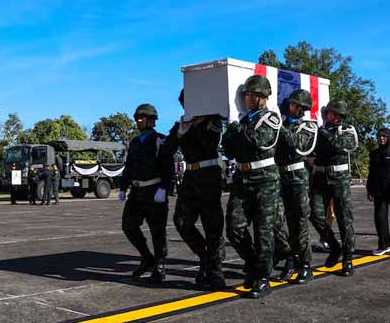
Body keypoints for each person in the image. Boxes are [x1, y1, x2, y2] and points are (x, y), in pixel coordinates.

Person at [222, 75, 283, 299]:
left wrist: (239, 129)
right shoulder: (242, 121)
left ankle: (262, 278)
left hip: (265, 179)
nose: (248, 99)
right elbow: (227, 149)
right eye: (246, 95)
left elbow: (260, 140)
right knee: (234, 227)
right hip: (242, 177)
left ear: (262, 97)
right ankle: (254, 264)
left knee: (263, 231)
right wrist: (234, 128)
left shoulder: (271, 119)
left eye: (252, 95)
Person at [163, 90, 227, 290]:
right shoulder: (180, 124)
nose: (186, 107)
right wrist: (180, 132)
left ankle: (215, 272)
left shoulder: (212, 120)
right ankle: (207, 259)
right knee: (181, 221)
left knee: (212, 225)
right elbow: (167, 150)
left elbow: (209, 143)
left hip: (208, 174)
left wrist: (191, 129)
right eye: (184, 104)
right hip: (190, 176)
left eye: (190, 103)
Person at [118, 103, 172, 283]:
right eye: (137, 118)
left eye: (142, 118)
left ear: (151, 120)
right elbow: (129, 167)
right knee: (129, 226)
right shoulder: (134, 142)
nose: (138, 121)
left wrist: (164, 188)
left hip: (154, 190)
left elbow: (167, 167)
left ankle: (160, 265)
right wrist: (122, 188)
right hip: (136, 192)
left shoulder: (160, 140)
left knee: (158, 231)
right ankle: (147, 257)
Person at [309, 99, 358, 276]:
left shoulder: (346, 130)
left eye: (335, 114)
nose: (331, 116)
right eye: (329, 112)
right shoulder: (320, 131)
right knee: (314, 214)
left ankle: (348, 258)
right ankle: (334, 246)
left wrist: (325, 134)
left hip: (339, 178)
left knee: (345, 219)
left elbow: (342, 146)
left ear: (341, 116)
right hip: (320, 177)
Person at [274, 90, 318, 284]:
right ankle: (289, 257)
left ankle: (305, 265)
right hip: (279, 175)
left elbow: (296, 144)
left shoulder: (308, 126)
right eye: (292, 104)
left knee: (299, 223)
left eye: (296, 105)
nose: (292, 107)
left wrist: (279, 126)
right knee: (277, 221)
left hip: (298, 177)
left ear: (303, 108)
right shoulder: (281, 124)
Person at [368, 128, 390, 255]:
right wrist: (369, 189)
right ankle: (384, 245)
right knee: (380, 218)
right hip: (378, 191)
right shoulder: (374, 153)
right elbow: (371, 173)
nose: (381, 138)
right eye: (379, 136)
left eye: (384, 136)